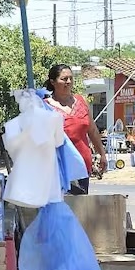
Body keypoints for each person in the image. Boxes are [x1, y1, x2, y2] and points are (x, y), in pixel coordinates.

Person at [44, 64, 107, 194]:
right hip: (60, 169)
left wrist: (102, 154)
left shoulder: (81, 101)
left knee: (81, 209)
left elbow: (93, 130)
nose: (68, 82)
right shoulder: (46, 106)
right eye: (64, 79)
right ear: (53, 82)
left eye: (71, 78)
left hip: (83, 166)